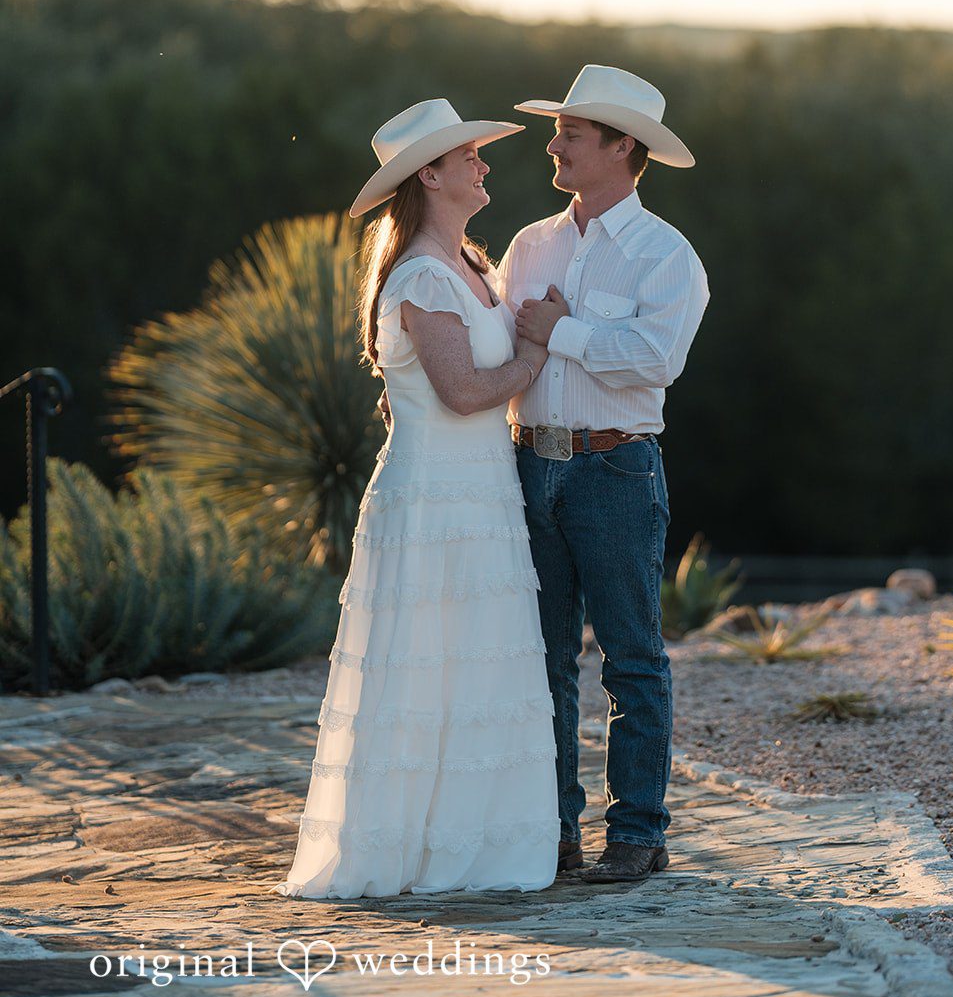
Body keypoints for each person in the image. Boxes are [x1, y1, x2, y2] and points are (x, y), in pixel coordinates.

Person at [275, 99, 558, 899]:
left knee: (473, 668)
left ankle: (474, 845)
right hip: (433, 502)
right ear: (429, 174)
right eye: (469, 155)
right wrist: (535, 347)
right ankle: (417, 851)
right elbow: (466, 392)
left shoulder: (470, 263)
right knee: (427, 670)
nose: (483, 164)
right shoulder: (420, 276)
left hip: (479, 497)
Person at [497, 64, 709, 884]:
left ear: (623, 148)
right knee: (540, 660)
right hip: (527, 465)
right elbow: (501, 349)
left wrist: (563, 329)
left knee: (630, 658)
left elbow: (655, 361)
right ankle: (551, 833)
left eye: (571, 135)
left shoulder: (666, 255)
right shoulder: (530, 244)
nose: (554, 145)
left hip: (615, 468)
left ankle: (636, 836)